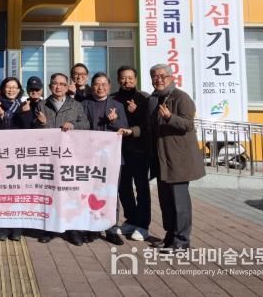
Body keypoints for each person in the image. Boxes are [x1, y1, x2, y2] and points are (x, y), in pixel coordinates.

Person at [146, 63, 205, 251]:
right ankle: (170, 236)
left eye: (162, 76)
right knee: (166, 202)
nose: (158, 79)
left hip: (178, 160)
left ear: (171, 78)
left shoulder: (181, 97)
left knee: (180, 203)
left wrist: (170, 117)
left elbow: (188, 125)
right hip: (161, 160)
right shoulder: (154, 99)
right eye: (155, 76)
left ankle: (181, 241)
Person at [34, 72, 89, 244]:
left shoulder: (76, 105)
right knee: (50, 192)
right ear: (50, 86)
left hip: (70, 156)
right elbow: (33, 132)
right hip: (49, 157)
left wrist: (73, 125)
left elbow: (86, 125)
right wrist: (42, 124)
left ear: (67, 87)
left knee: (70, 193)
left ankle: (73, 230)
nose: (58, 87)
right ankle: (49, 229)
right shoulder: (42, 105)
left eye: (62, 84)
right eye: (55, 84)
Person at [81, 72, 128, 246]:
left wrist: (114, 121)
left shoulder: (117, 105)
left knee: (111, 194)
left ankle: (111, 229)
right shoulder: (84, 104)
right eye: (97, 84)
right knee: (91, 192)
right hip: (90, 157)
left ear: (109, 86)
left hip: (111, 158)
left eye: (104, 84)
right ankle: (92, 228)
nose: (100, 88)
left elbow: (125, 128)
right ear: (92, 86)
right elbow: (80, 128)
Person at [112, 66, 151, 242]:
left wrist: (137, 112)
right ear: (118, 79)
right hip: (119, 150)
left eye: (130, 78)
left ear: (136, 79)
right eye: (123, 78)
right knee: (123, 187)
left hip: (139, 150)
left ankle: (143, 225)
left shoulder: (144, 98)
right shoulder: (113, 99)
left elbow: (149, 126)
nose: (126, 81)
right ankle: (131, 219)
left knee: (141, 188)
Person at [0, 77, 32, 241]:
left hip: (19, 156)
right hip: (1, 155)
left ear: (19, 90)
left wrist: (25, 113)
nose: (11, 90)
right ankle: (2, 227)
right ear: (3, 89)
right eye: (8, 87)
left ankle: (17, 228)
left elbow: (28, 129)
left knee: (18, 192)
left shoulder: (24, 106)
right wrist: (0, 116)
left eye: (14, 87)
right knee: (2, 192)